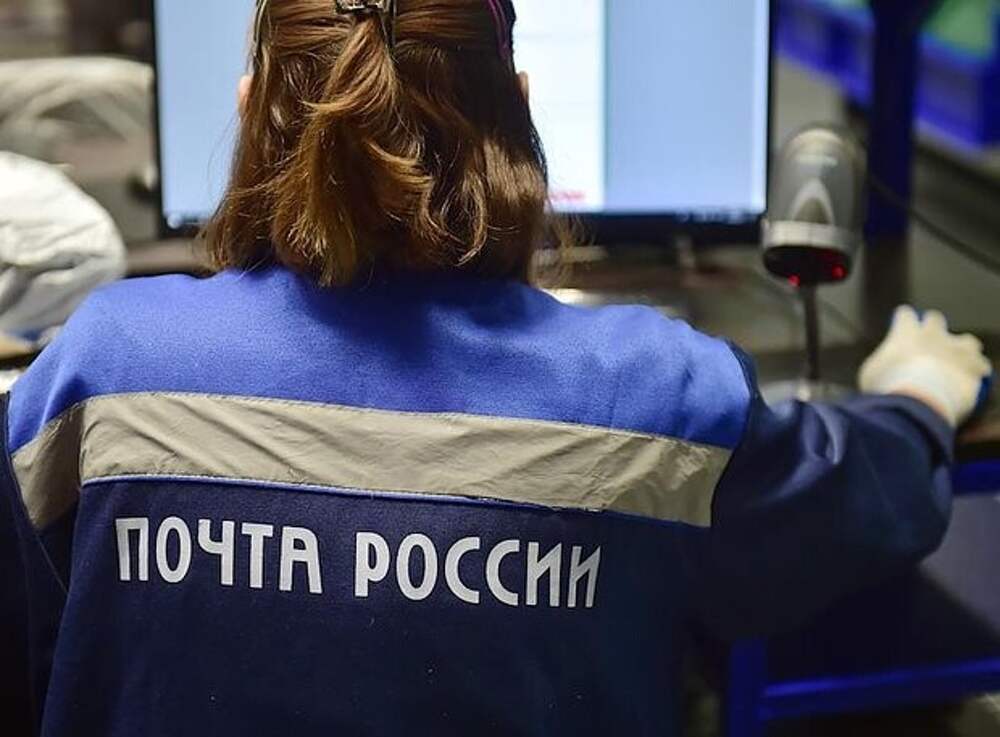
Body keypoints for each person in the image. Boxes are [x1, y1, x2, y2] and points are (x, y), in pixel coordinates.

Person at [0, 1, 992, 735]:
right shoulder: (657, 395)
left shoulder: (103, 373)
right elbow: (853, 504)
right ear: (519, 109)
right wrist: (919, 396)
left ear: (249, 109)